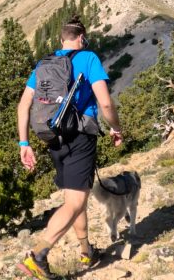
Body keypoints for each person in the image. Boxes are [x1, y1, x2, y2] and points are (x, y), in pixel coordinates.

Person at [16, 16, 124, 280]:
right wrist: (116, 128)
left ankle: (86, 251)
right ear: (82, 38)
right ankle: (38, 256)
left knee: (76, 200)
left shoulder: (44, 63)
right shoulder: (88, 59)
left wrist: (24, 143)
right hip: (80, 137)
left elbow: (23, 105)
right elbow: (106, 104)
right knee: (75, 202)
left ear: (61, 40)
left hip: (54, 139)